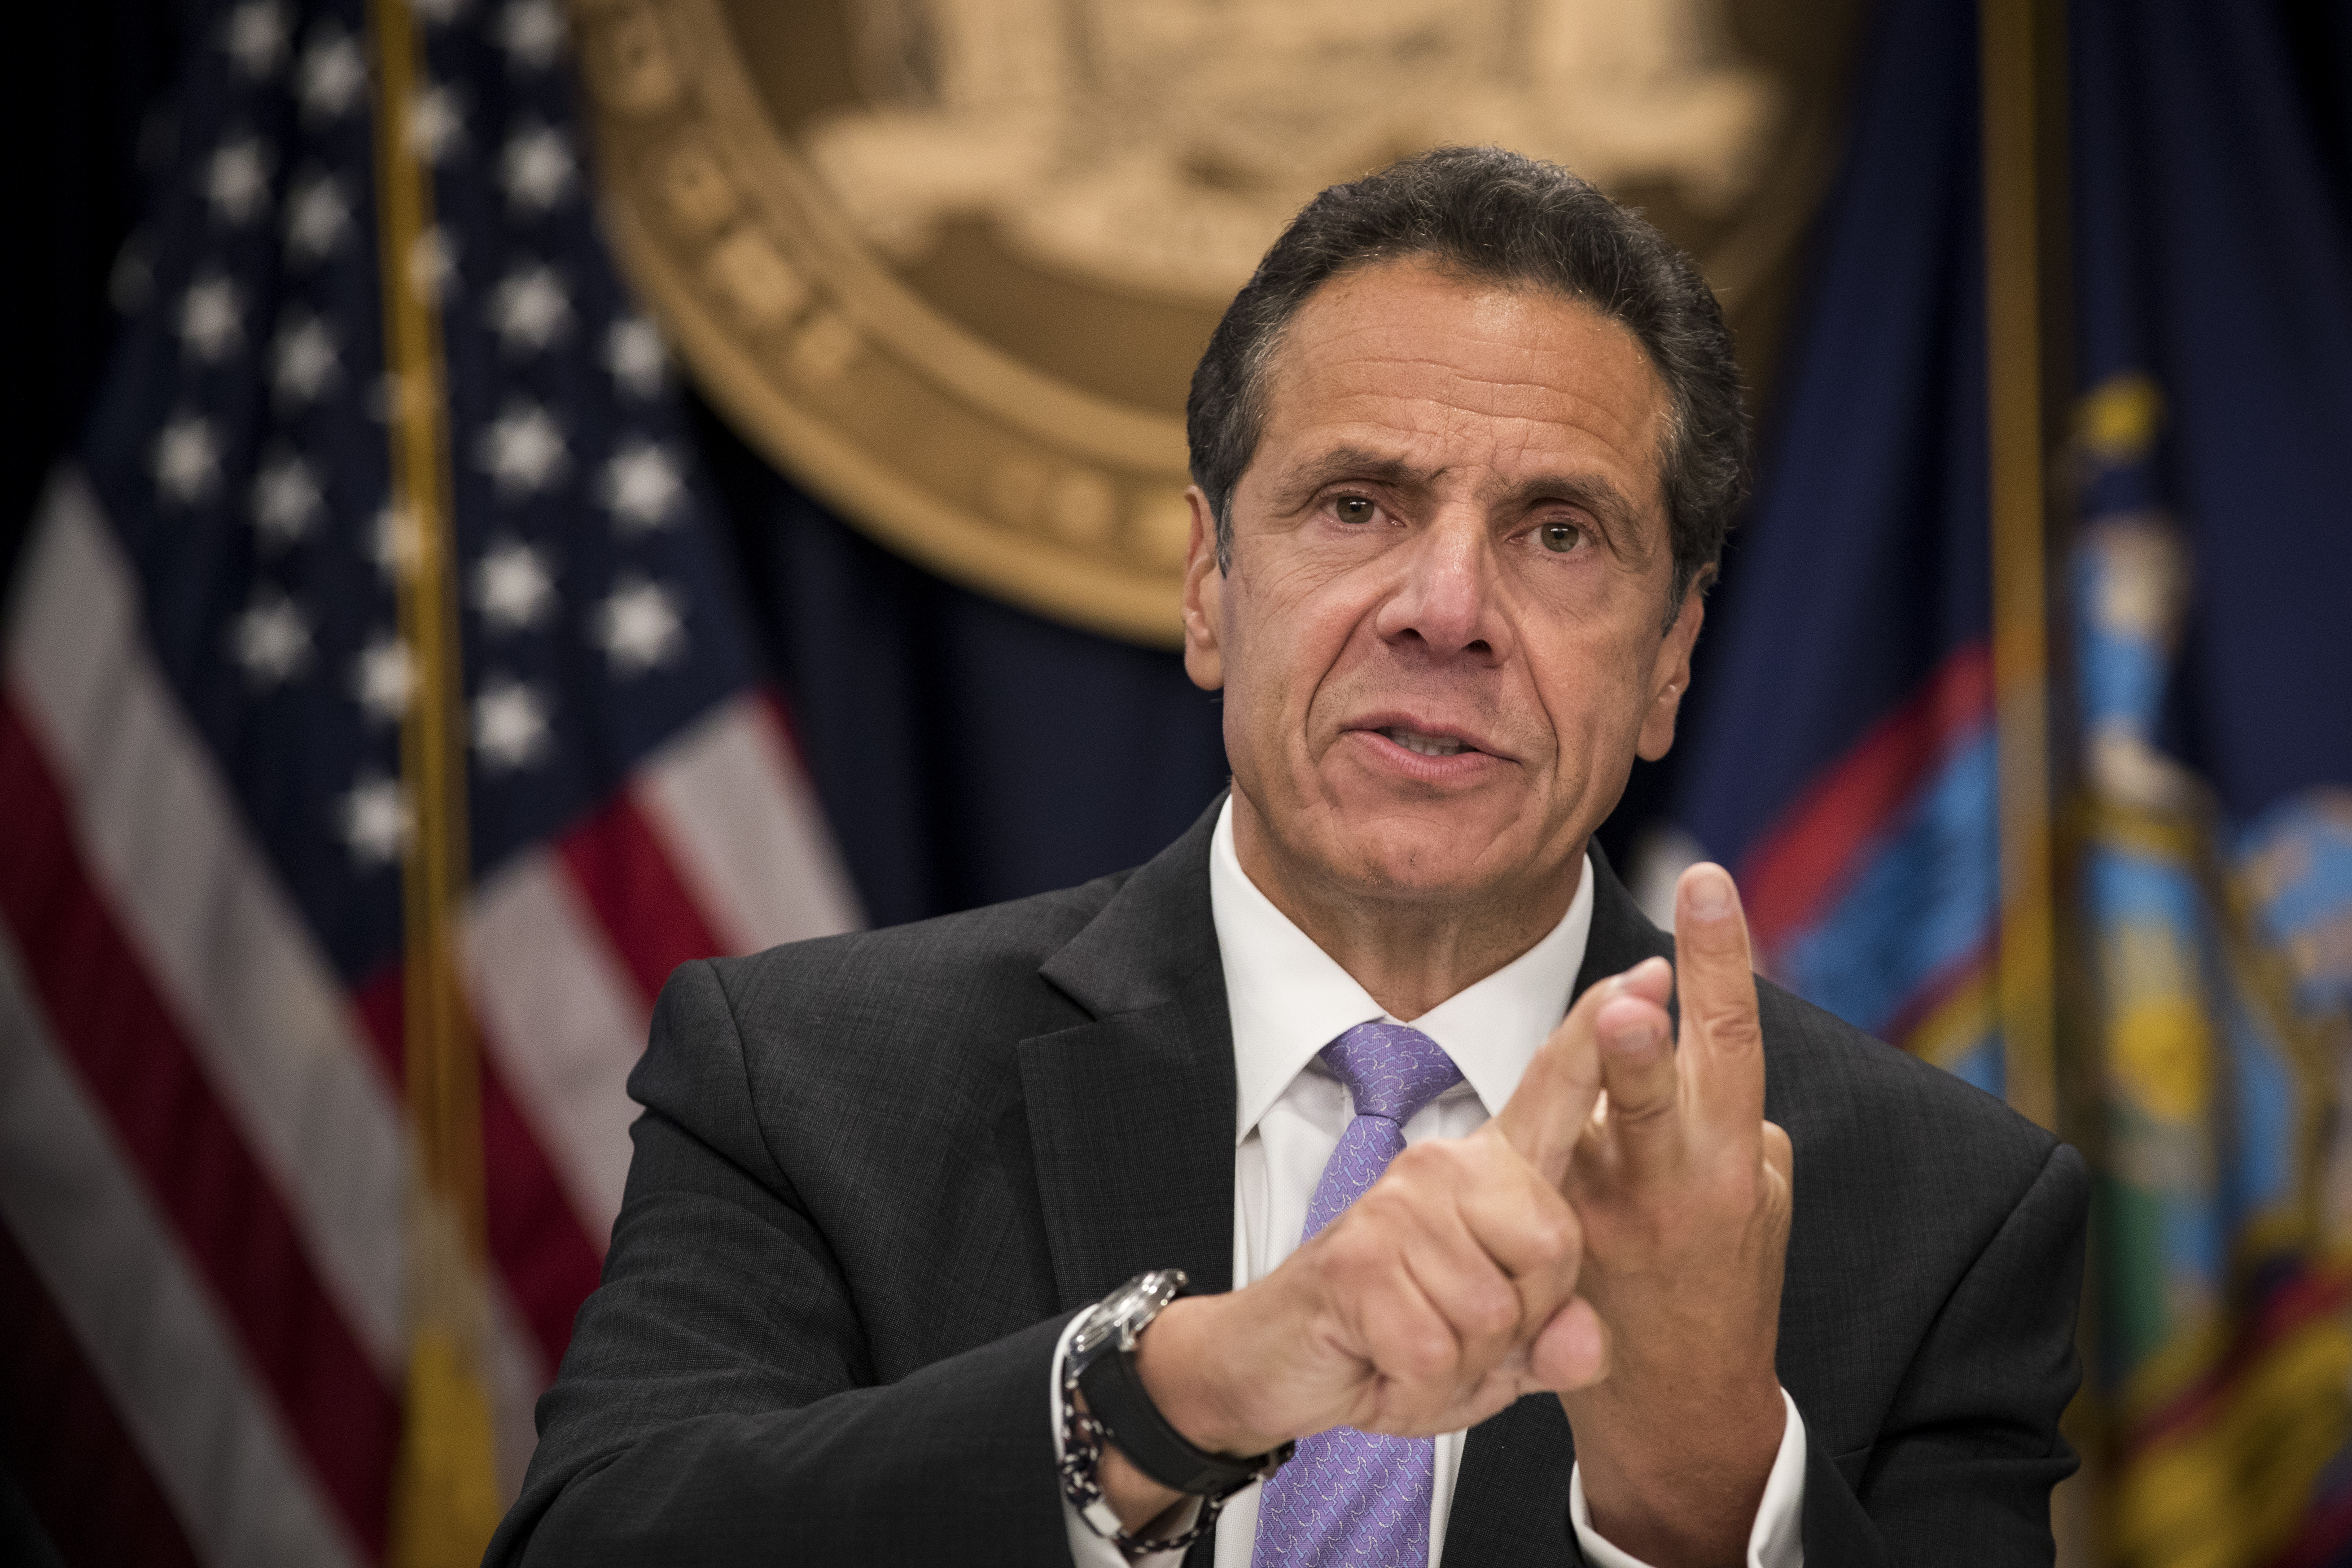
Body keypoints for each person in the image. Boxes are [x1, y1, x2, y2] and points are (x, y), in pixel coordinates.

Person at [486, 147, 2085, 1568]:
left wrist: (1705, 1497)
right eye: (1356, 505)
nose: (1444, 609)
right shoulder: (808, 1079)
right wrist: (1186, 1390)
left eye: (1557, 533)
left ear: (1670, 658)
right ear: (1208, 583)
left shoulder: (1941, 1211)